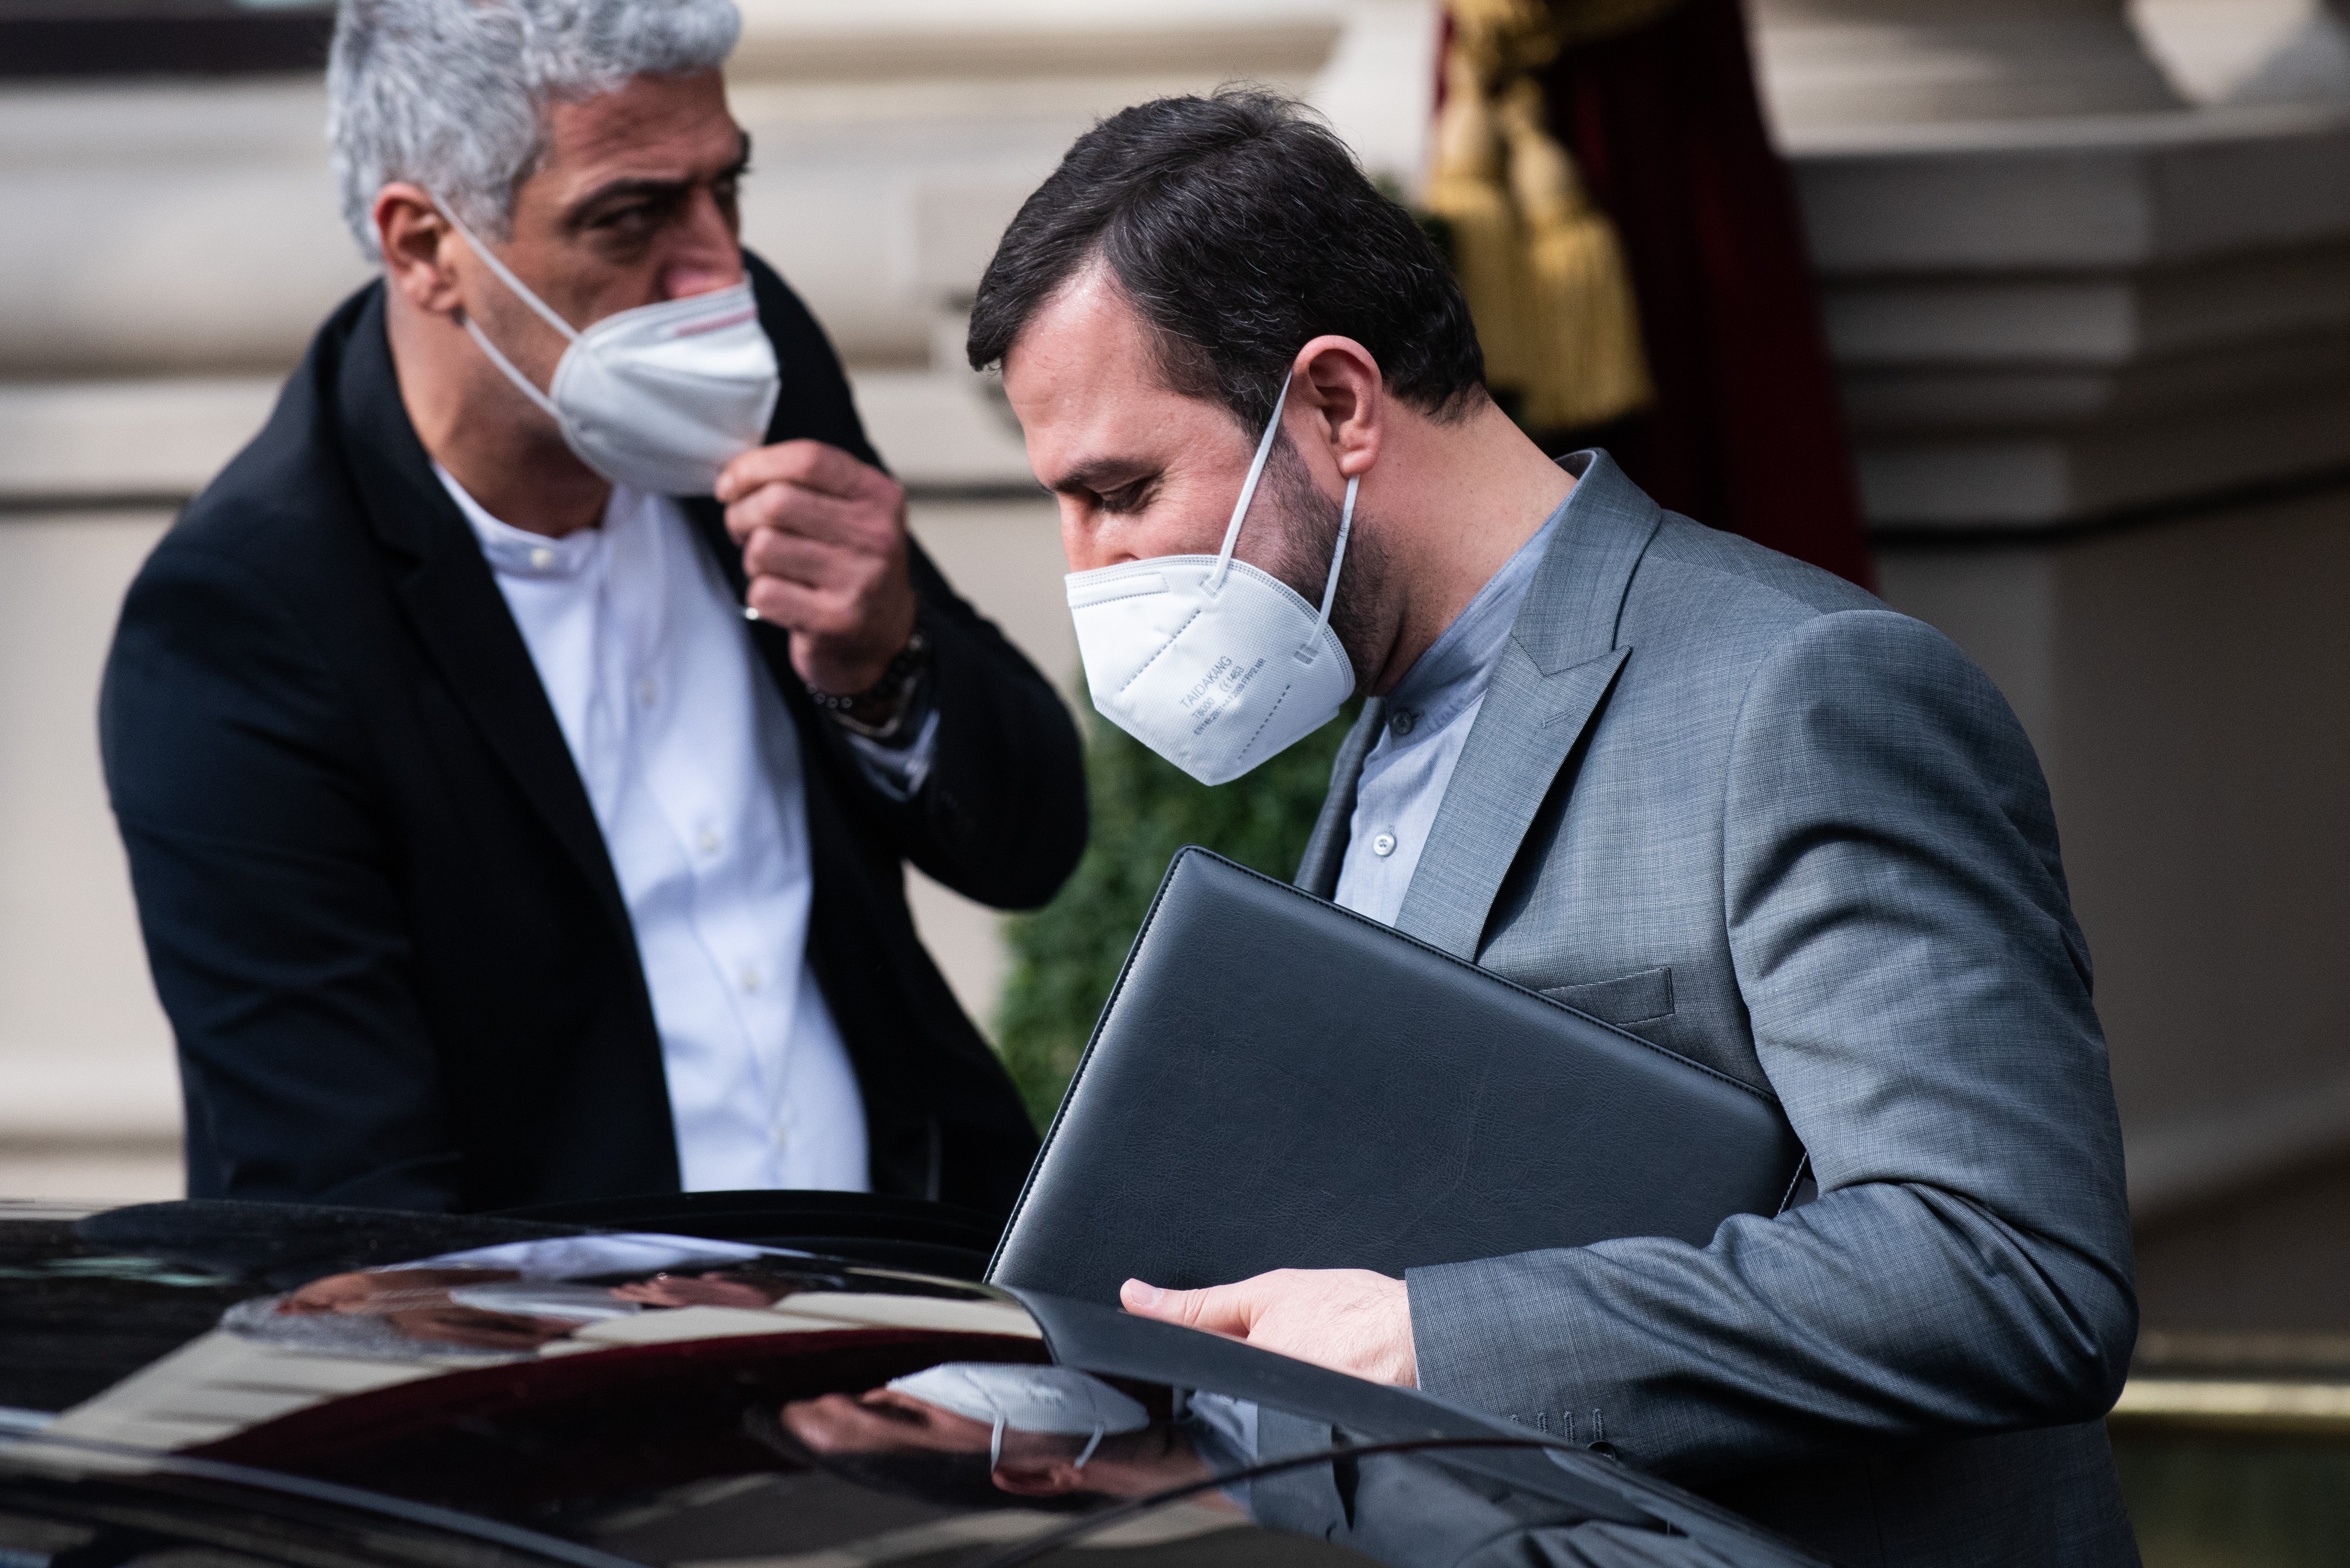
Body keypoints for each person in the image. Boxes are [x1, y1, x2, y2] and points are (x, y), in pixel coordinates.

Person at [921, 91, 2138, 1565]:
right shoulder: (1375, 704)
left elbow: (2008, 1268)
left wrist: (1428, 1336)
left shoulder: (1808, 692)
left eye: (1121, 491)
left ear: (1337, 405)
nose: (1090, 566)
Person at [99, 0, 1080, 1216]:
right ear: (423, 247)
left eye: (729, 189)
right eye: (632, 216)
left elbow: (1035, 841)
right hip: (577, 1364)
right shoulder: (245, 622)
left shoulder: (749, 357)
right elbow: (345, 1204)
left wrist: (886, 662)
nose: (713, 268)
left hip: (913, 1287)